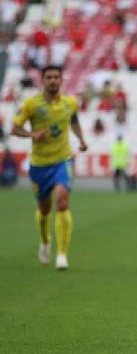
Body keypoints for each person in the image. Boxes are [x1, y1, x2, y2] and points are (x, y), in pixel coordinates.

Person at [11, 65, 88, 270]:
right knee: (44, 209)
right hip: (39, 164)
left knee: (62, 201)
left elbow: (74, 120)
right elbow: (15, 128)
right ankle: (45, 241)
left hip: (63, 160)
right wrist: (31, 135)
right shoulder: (31, 105)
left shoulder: (70, 102)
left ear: (62, 80)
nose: (53, 80)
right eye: (49, 77)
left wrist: (81, 139)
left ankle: (62, 254)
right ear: (43, 80)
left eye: (56, 77)